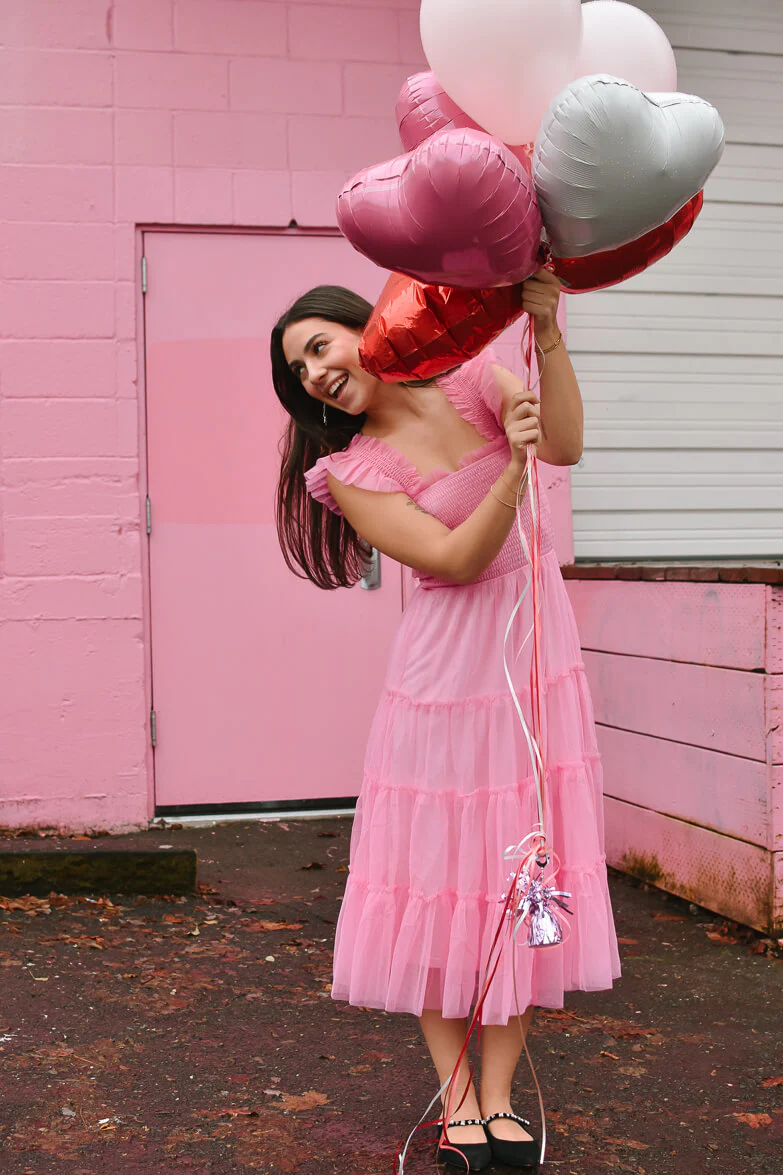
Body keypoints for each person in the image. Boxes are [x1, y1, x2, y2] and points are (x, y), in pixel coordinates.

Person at [270, 273, 620, 1172]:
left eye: (320, 345)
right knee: (440, 882)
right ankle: (456, 1098)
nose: (313, 372)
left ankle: (500, 1099)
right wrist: (510, 467)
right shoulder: (348, 470)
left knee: (521, 877)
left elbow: (568, 445)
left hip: (534, 664)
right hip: (442, 686)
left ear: (367, 329)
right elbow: (457, 559)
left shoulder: (473, 374)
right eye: (297, 368)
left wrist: (544, 331)